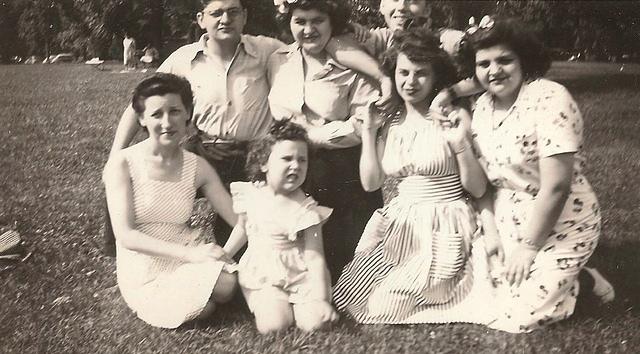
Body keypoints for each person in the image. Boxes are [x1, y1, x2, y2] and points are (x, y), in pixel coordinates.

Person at [103, 0, 395, 256]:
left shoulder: (268, 50)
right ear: (200, 19)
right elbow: (141, 101)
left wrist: (348, 36)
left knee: (250, 232)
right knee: (132, 175)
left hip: (253, 153)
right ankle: (123, 251)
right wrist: (116, 153)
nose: (225, 19)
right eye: (216, 12)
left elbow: (317, 42)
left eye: (233, 12)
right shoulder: (184, 57)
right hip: (204, 148)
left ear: (244, 16)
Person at [332, 28, 495, 325]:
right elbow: (371, 183)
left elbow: (478, 187)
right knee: (354, 298)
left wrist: (459, 143)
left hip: (445, 223)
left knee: (384, 308)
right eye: (403, 72)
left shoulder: (452, 115)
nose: (410, 82)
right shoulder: (390, 121)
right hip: (402, 225)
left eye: (421, 74)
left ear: (436, 77)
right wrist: (368, 133)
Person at [463, 16, 613, 332]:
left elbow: (557, 186)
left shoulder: (549, 97)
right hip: (508, 216)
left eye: (504, 60)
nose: (494, 70)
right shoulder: (481, 108)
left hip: (561, 217)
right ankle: (573, 279)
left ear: (524, 60)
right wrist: (491, 232)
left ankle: (581, 284)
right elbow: (485, 185)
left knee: (520, 317)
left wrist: (529, 247)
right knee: (486, 301)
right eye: (484, 63)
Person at [103, 73, 238, 328]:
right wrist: (191, 255)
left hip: (184, 252)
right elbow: (126, 235)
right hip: (143, 263)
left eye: (175, 111)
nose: (167, 122)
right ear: (142, 118)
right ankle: (186, 300)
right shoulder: (122, 163)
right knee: (217, 292)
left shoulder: (197, 166)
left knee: (227, 285)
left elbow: (235, 217)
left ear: (188, 113)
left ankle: (197, 298)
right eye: (156, 114)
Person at [268, 0, 384, 283]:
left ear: (333, 23)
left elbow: (364, 122)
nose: (309, 29)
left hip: (343, 173)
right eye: (300, 21)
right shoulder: (277, 60)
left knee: (346, 261)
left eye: (317, 20)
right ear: (288, 23)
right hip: (294, 169)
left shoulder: (352, 62)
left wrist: (311, 135)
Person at [223, 120, 338, 333]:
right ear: (264, 163)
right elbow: (242, 229)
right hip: (263, 276)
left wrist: (321, 299)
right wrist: (224, 254)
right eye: (287, 158)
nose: (295, 165)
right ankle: (279, 308)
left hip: (301, 275)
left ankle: (305, 307)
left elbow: (315, 258)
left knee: (316, 324)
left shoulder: (307, 210)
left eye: (302, 160)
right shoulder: (251, 195)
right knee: (273, 326)